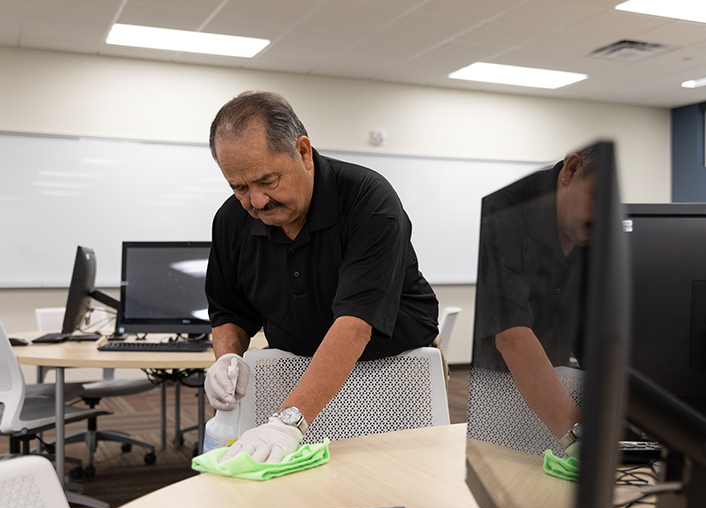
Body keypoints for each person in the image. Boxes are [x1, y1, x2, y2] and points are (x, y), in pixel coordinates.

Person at [203, 91, 439, 464]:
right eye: (240, 187)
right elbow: (229, 310)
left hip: (393, 374)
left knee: (392, 482)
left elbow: (355, 324)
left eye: (268, 180)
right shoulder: (232, 220)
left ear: (303, 152)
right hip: (296, 371)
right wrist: (226, 361)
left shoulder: (368, 200)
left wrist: (290, 420)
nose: (258, 201)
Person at [472, 146, 597, 455]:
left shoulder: (591, 231)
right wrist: (582, 442)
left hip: (557, 392)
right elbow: (512, 338)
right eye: (597, 199)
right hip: (493, 399)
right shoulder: (501, 215)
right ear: (570, 171)